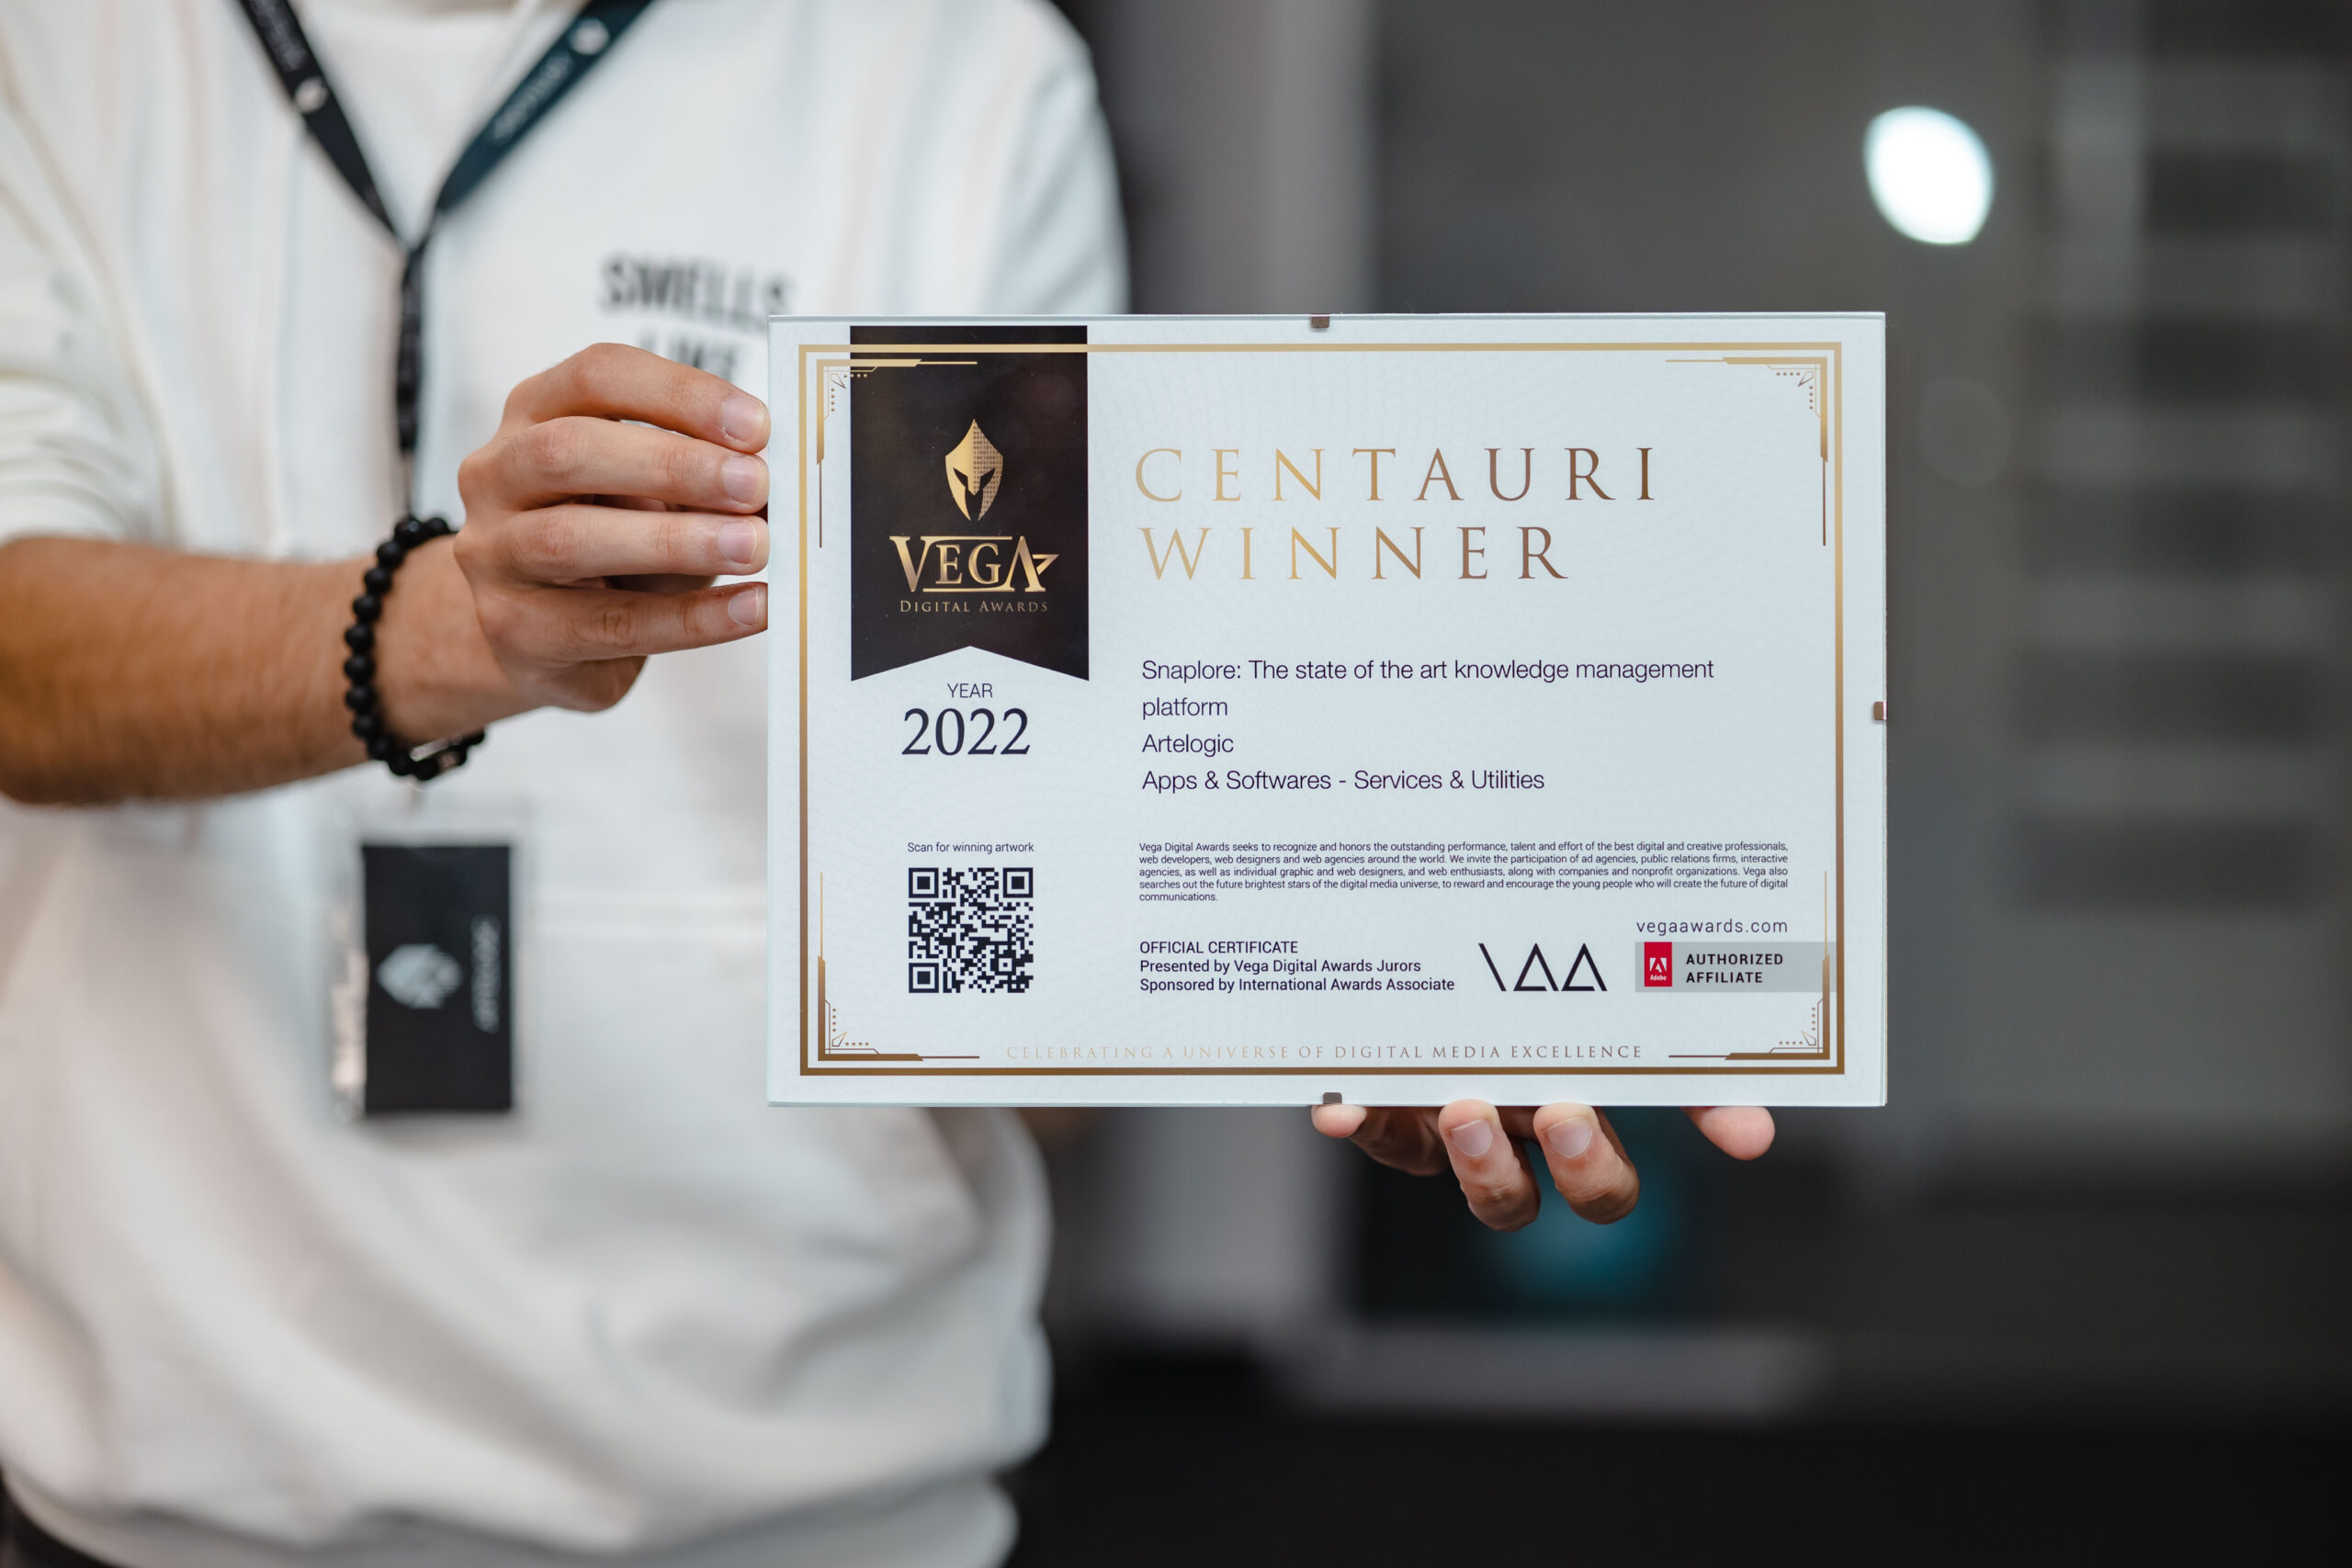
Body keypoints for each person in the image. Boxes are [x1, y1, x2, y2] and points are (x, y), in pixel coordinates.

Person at [0, 2, 1770, 1564]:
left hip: (829, 1494)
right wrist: (465, 623)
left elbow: (1019, 789)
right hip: (185, 1487)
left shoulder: (960, 66)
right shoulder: (57, 45)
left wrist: (1366, 948)